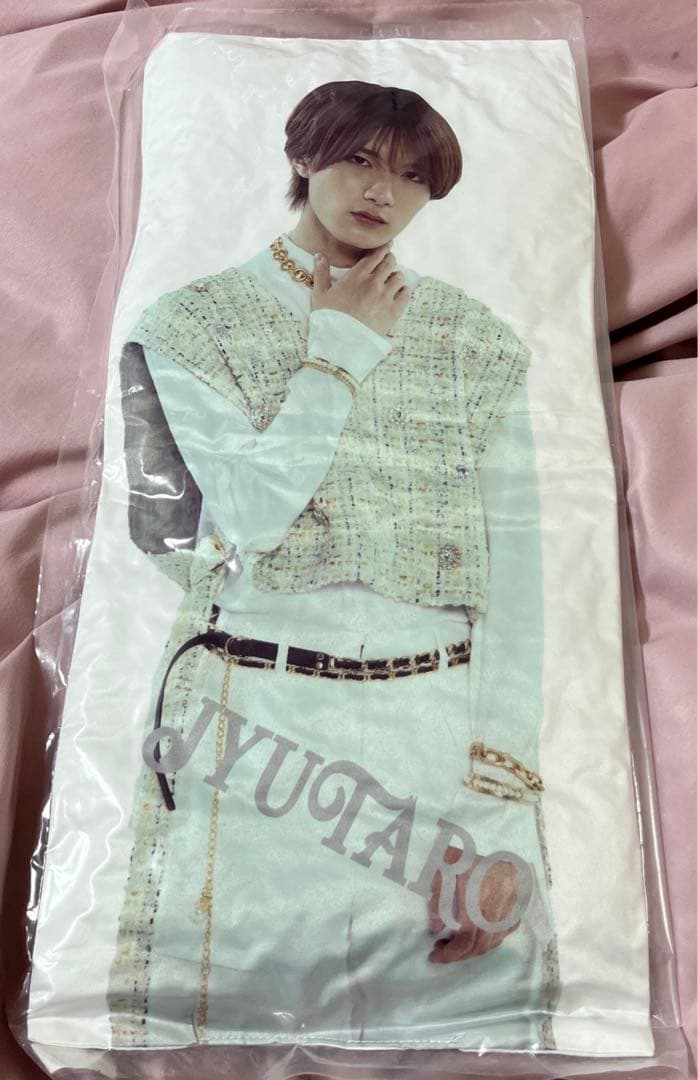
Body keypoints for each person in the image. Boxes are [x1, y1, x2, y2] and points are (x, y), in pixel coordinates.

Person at [109, 80, 556, 1050]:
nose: (381, 192)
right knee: (221, 1026)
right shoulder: (196, 324)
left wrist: (498, 785)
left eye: (410, 176)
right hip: (257, 716)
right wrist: (337, 353)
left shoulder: (473, 342)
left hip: (433, 718)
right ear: (303, 157)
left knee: (457, 1026)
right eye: (358, 160)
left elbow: (515, 568)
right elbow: (250, 517)